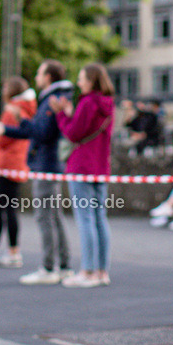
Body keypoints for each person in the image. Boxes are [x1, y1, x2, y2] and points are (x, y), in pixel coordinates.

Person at [0, 60, 73, 285]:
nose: (36, 77)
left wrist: (20, 121)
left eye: (39, 72)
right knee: (54, 216)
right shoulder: (51, 97)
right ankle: (63, 265)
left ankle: (48, 268)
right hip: (48, 164)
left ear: (47, 77)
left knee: (45, 216)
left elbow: (42, 133)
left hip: (45, 164)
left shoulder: (52, 98)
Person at [49, 64, 115, 288]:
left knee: (85, 218)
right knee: (99, 218)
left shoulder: (87, 102)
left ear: (91, 81)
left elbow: (73, 133)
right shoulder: (108, 103)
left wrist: (60, 115)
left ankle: (87, 271)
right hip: (100, 167)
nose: (79, 83)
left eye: (81, 78)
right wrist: (70, 114)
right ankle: (101, 271)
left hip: (81, 166)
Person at [0, 76, 36, 267]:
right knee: (9, 209)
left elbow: (2, 138)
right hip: (16, 165)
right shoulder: (25, 108)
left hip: (7, 165)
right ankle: (12, 251)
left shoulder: (13, 109)